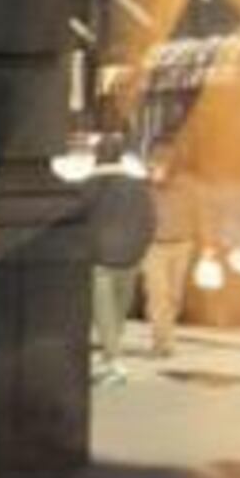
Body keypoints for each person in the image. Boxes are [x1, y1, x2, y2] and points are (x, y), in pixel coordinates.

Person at [80, 133, 154, 385]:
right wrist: (141, 249)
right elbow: (150, 220)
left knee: (104, 314)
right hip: (131, 258)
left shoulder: (87, 186)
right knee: (119, 313)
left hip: (100, 259)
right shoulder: (137, 186)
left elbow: (75, 220)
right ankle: (109, 357)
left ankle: (114, 363)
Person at [137, 149, 198, 364]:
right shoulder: (144, 189)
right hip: (154, 247)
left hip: (182, 245)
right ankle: (161, 341)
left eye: (157, 167)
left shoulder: (188, 186)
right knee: (157, 294)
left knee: (174, 295)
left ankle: (167, 333)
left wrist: (209, 246)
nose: (153, 171)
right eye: (151, 167)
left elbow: (202, 212)